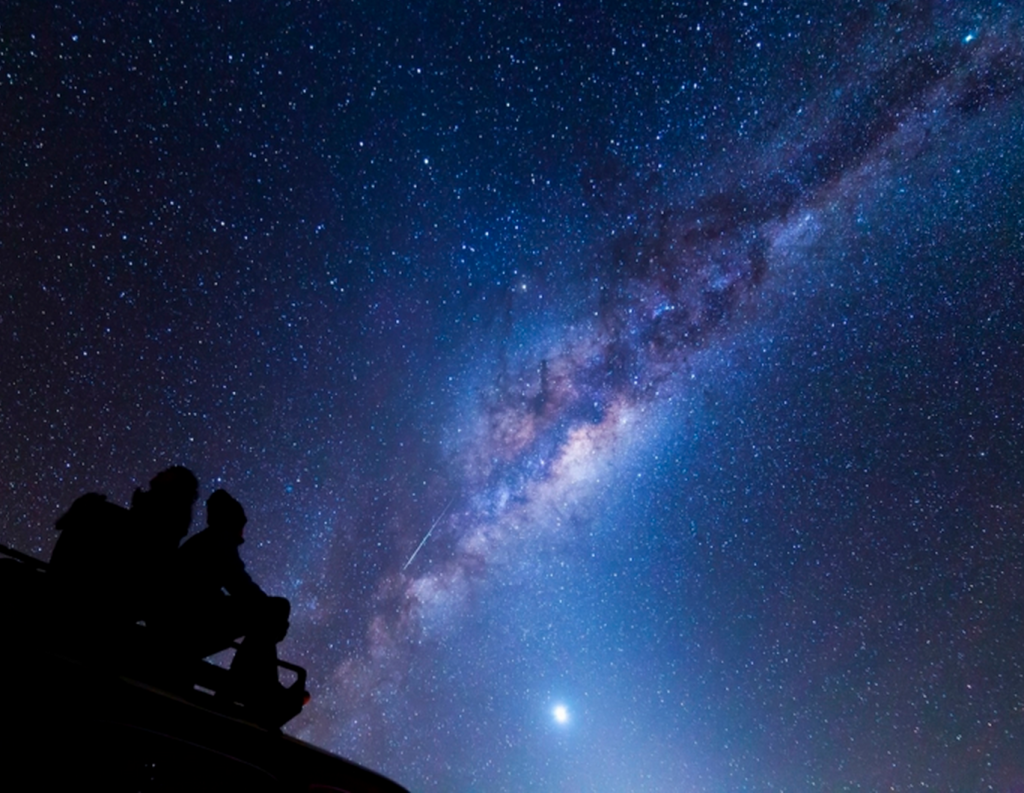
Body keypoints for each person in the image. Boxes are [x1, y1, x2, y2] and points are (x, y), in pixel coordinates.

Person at [161, 489, 305, 725]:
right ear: (231, 521)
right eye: (241, 526)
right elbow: (239, 584)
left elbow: (207, 587)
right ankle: (261, 690)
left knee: (265, 615)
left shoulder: (205, 542)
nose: (243, 535)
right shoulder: (220, 539)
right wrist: (272, 614)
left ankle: (255, 686)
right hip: (186, 624)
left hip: (179, 619)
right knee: (274, 609)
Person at [48, 466, 199, 637]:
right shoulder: (160, 507)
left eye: (167, 472)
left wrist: (96, 508)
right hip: (122, 585)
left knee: (89, 513)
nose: (160, 473)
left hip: (126, 589)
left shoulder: (170, 510)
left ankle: (56, 589)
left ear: (176, 483)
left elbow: (141, 541)